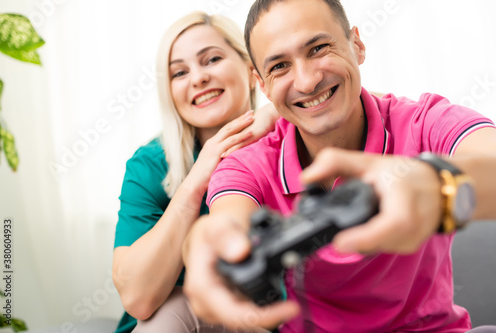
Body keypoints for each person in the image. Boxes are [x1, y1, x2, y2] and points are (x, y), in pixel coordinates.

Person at [182, 0, 496, 332]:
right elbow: (227, 223)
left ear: (357, 45)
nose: (305, 82)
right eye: (279, 67)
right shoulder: (247, 165)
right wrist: (211, 245)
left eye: (318, 48)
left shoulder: (424, 122)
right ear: (263, 85)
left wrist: (438, 184)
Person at [112, 11, 278, 333]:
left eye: (212, 59)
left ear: (250, 69)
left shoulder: (289, 138)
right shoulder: (150, 165)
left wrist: (276, 112)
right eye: (179, 73)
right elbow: (137, 298)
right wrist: (195, 181)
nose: (198, 78)